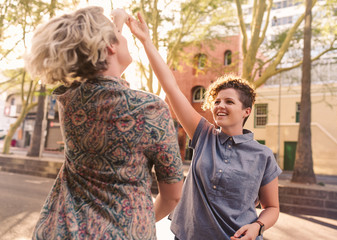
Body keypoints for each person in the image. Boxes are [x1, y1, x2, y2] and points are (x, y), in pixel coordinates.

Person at [25, 6, 183, 239]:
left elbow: (98, 62)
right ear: (109, 46)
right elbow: (172, 195)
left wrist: (114, 27)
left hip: (61, 231)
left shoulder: (68, 99)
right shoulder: (151, 109)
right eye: (118, 36)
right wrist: (138, 221)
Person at [127, 11, 282, 240]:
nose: (220, 106)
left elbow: (272, 208)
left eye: (229, 102)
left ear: (246, 111)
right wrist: (146, 42)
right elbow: (171, 87)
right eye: (217, 101)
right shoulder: (204, 135)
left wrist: (258, 226)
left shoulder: (263, 155)